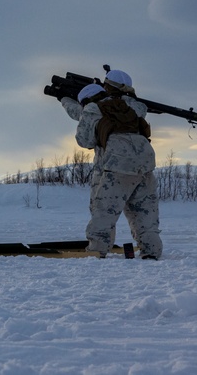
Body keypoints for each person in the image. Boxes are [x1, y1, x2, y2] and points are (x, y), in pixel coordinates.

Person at [61, 70, 162, 259]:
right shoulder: (136, 107)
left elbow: (84, 141)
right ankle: (152, 250)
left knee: (104, 211)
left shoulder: (94, 108)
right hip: (146, 163)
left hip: (118, 165)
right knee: (144, 211)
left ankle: (97, 250)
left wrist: (75, 107)